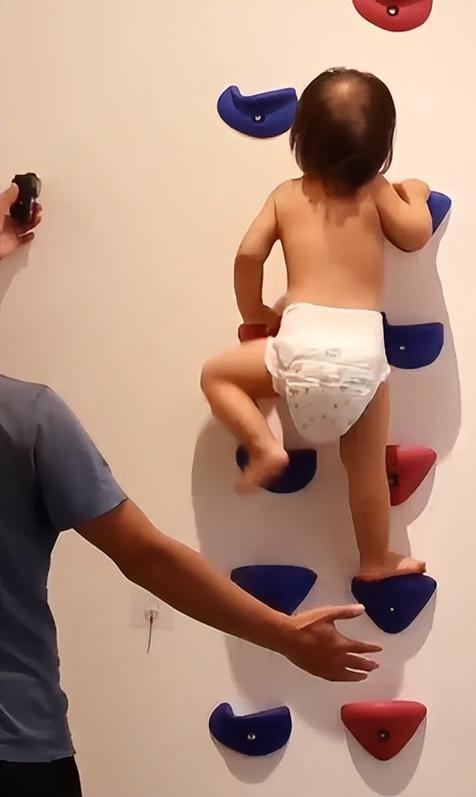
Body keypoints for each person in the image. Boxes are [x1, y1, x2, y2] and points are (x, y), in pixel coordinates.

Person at [0, 182, 381, 797]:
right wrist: (283, 635)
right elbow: (148, 557)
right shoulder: (27, 419)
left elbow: (249, 256)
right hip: (16, 750)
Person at [201, 68, 433, 582]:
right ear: (382, 148)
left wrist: (255, 312)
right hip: (362, 354)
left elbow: (248, 253)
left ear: (300, 138)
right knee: (365, 466)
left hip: (299, 345)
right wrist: (415, 193)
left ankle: (263, 444)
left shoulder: (287, 195)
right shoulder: (377, 191)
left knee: (216, 375)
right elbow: (415, 235)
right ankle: (375, 558)